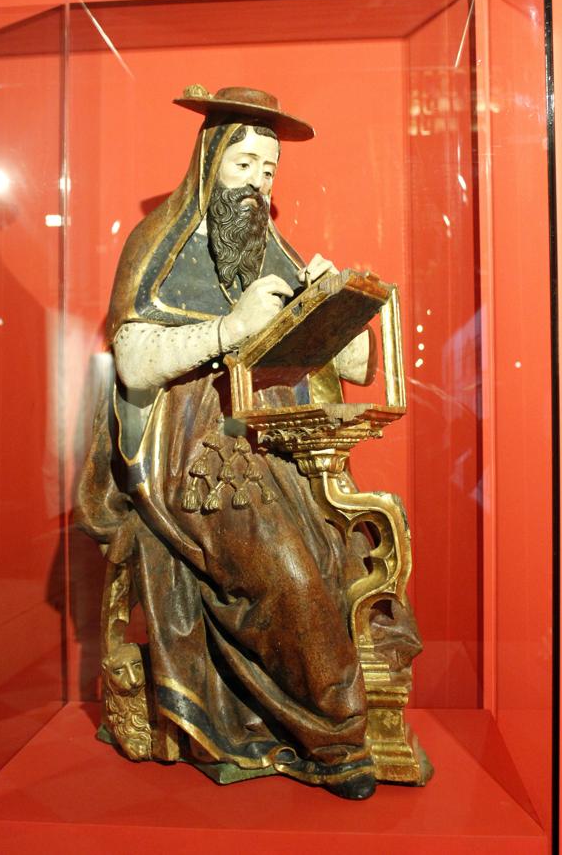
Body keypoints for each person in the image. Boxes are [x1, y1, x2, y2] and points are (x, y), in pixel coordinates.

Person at [77, 86, 405, 800]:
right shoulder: (158, 244)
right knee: (290, 572)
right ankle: (335, 739)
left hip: (279, 446)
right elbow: (133, 361)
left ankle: (319, 717)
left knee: (341, 552)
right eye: (245, 163)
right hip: (193, 456)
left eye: (269, 171)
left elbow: (343, 364)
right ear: (209, 161)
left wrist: (335, 310)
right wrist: (229, 331)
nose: (257, 182)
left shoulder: (271, 251)